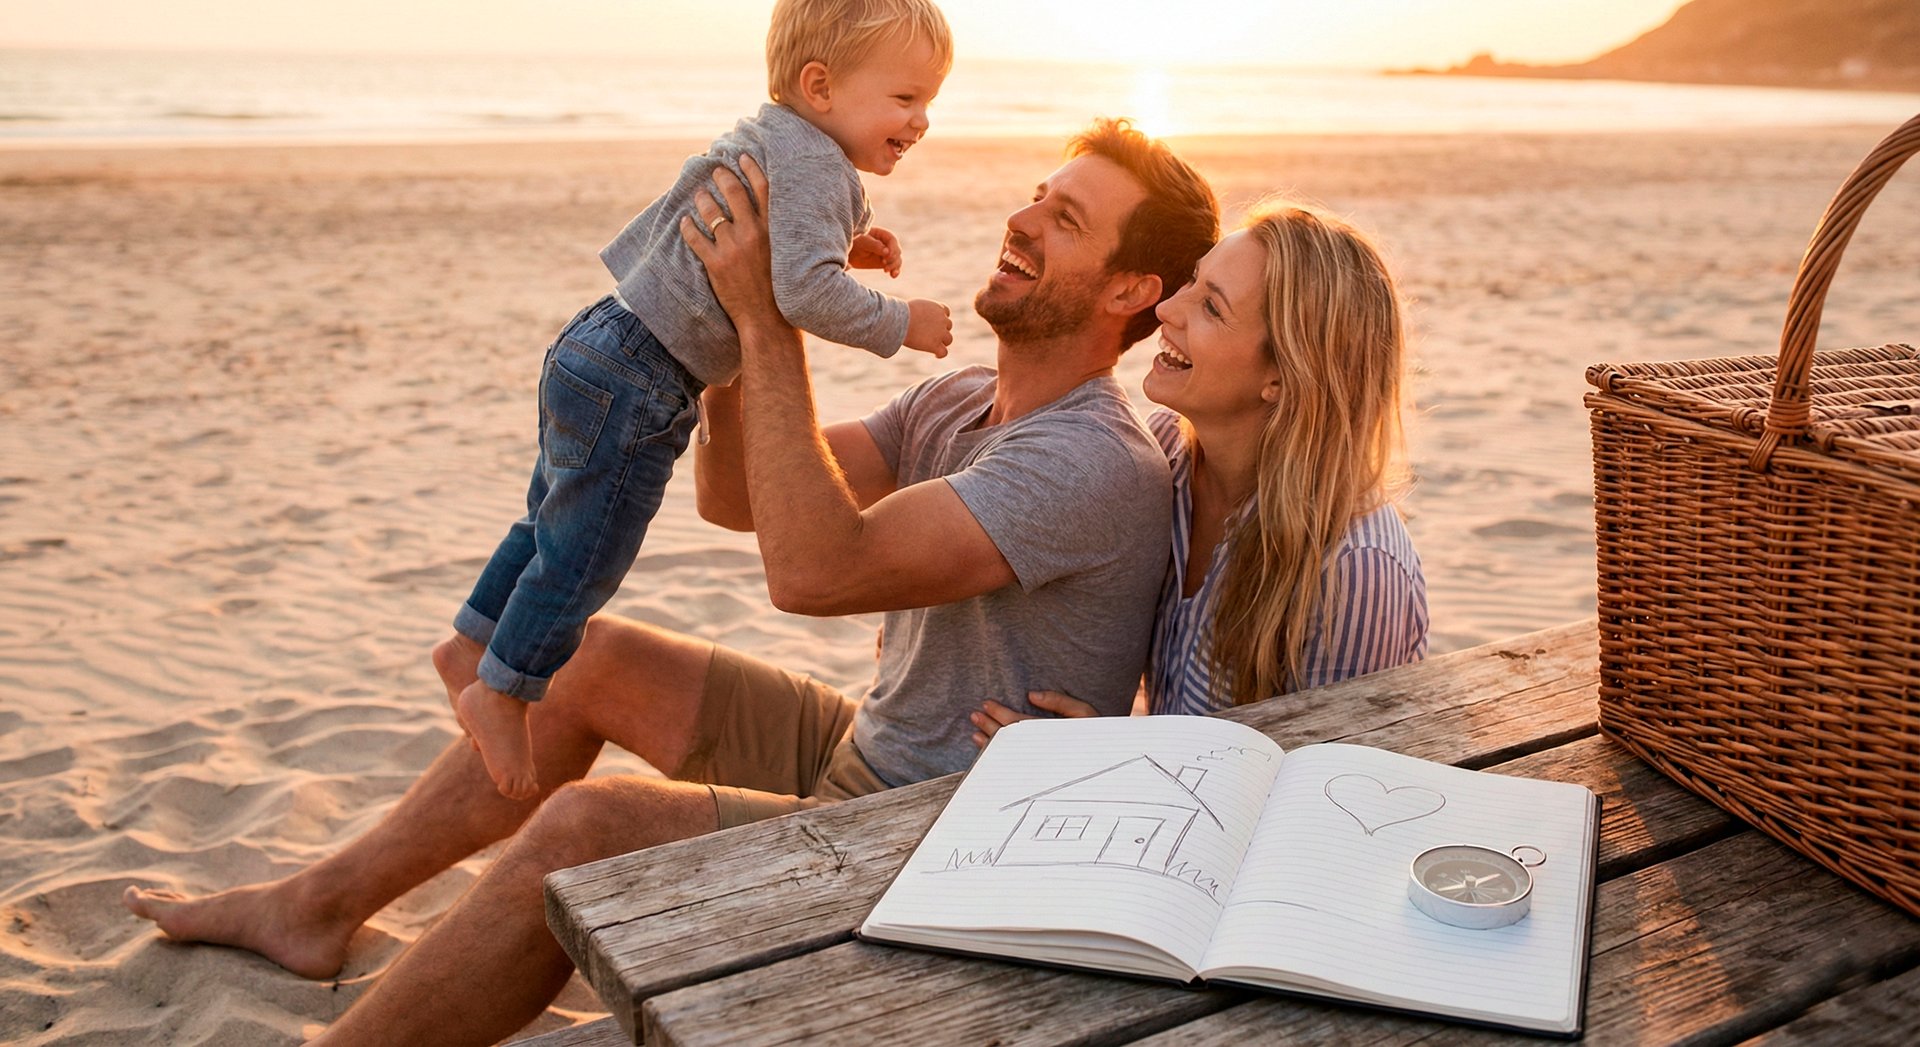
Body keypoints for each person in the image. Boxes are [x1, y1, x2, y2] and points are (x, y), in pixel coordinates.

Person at [122, 119, 1220, 1046]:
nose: (1022, 219)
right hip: (870, 751)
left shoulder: (1086, 458)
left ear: (1130, 288)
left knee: (588, 827)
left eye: (1065, 220)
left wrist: (764, 314)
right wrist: (731, 330)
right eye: (1039, 196)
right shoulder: (959, 402)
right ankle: (314, 909)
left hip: (936, 829)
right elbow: (739, 497)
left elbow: (812, 569)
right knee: (582, 658)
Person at [444, 0, 959, 802]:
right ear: (819, 85)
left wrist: (845, 243)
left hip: (596, 341)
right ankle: (503, 689)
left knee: (549, 518)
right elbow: (805, 292)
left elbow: (769, 232)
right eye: (906, 98)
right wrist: (903, 322)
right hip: (643, 378)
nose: (923, 119)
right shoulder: (822, 165)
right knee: (587, 554)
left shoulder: (772, 135)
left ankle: (473, 641)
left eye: (929, 100)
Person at [971, 198, 1427, 743]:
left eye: (1211, 307)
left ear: (1283, 376)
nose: (1168, 309)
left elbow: (1322, 802)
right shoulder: (1165, 457)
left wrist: (1106, 763)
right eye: (1192, 281)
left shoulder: (1355, 568)